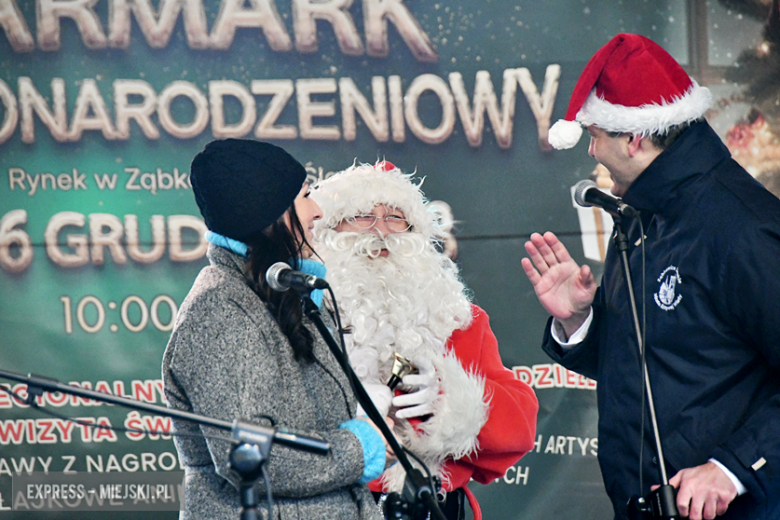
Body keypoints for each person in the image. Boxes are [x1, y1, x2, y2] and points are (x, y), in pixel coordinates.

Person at [522, 33, 780, 520]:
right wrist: (581, 322)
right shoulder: (641, 217)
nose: (593, 150)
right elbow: (663, 358)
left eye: (596, 134)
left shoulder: (742, 226)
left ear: (635, 137)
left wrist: (734, 469)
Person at [162, 139, 390, 520]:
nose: (317, 211)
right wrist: (359, 449)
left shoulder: (277, 294)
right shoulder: (221, 309)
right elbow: (254, 456)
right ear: (268, 216)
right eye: (303, 196)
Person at [311, 161, 538, 520]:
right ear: (328, 230)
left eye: (395, 217)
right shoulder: (303, 317)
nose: (381, 231)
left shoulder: (459, 319)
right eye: (363, 216)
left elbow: (520, 428)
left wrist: (452, 401)